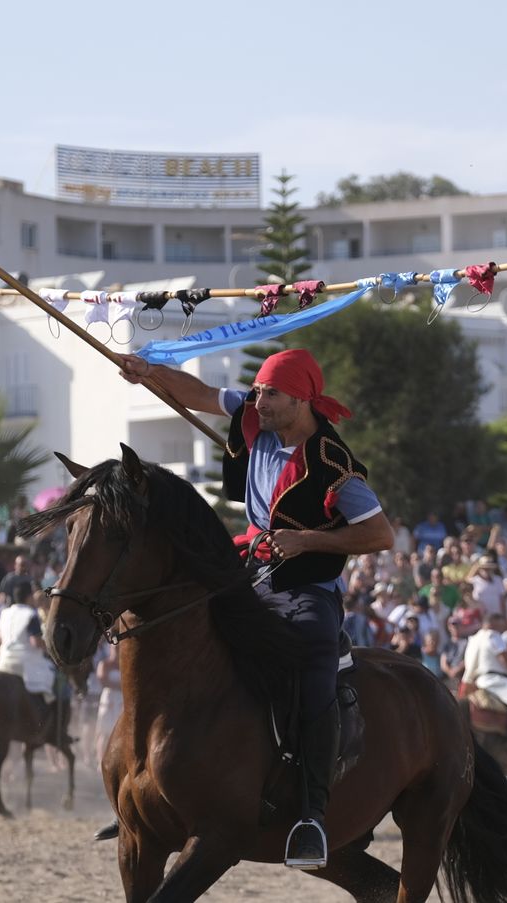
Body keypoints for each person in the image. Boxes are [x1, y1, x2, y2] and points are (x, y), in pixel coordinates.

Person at [119, 347, 393, 869]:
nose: (258, 400)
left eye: (270, 394)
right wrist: (147, 373)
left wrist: (308, 541)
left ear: (302, 399)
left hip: (307, 592)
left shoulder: (335, 465)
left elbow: (380, 535)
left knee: (311, 656)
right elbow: (197, 394)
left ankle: (312, 812)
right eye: (259, 391)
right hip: (246, 573)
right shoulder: (255, 413)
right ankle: (152, 791)